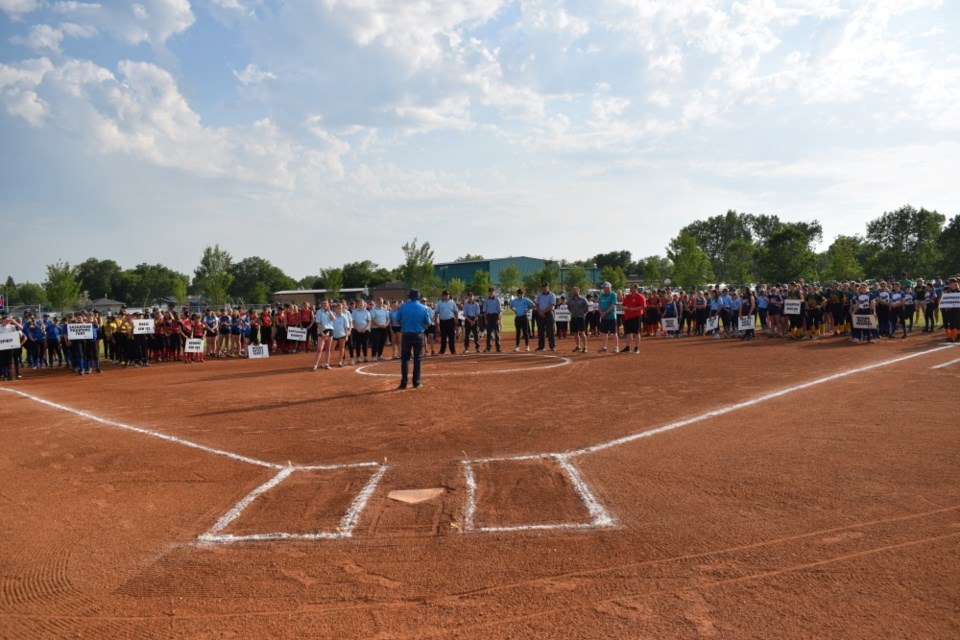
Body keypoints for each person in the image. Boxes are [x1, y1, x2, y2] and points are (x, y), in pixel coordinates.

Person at [396, 289, 432, 389]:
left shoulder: (403, 307)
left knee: (405, 359)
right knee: (417, 359)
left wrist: (405, 324)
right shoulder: (423, 307)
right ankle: (416, 382)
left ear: (409, 297)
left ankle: (404, 383)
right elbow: (428, 323)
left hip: (406, 334)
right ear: (418, 297)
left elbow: (397, 321)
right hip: (418, 335)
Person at [621, 283, 646, 353]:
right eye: (630, 288)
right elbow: (623, 305)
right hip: (628, 317)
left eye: (632, 288)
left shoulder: (640, 296)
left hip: (636, 316)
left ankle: (636, 348)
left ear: (636, 288)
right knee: (628, 333)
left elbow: (643, 306)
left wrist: (633, 309)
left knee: (636, 333)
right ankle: (627, 347)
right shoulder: (627, 297)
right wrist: (624, 307)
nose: (631, 289)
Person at [435, 290, 458, 355]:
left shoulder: (452, 302)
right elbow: (436, 312)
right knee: (443, 337)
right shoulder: (439, 303)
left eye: (447, 295)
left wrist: (456, 319)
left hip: (450, 321)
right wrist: (436, 320)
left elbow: (455, 311)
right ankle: (442, 350)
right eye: (445, 295)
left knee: (451, 336)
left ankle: (453, 350)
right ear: (443, 296)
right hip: (443, 321)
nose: (446, 296)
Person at [535, 282, 557, 351]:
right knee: (540, 331)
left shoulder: (552, 295)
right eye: (543, 287)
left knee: (550, 331)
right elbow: (537, 305)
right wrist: (539, 312)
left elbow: (551, 306)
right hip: (540, 314)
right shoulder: (539, 296)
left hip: (548, 314)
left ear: (548, 287)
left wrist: (542, 312)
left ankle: (552, 346)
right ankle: (541, 346)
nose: (544, 288)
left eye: (546, 287)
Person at [597, 281, 619, 353]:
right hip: (603, 317)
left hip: (611, 317)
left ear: (608, 288)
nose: (603, 288)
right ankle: (604, 347)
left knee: (614, 332)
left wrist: (605, 313)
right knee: (604, 332)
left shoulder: (613, 295)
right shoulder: (602, 295)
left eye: (604, 287)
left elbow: (612, 306)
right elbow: (599, 305)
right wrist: (601, 312)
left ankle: (616, 347)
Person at [567, 286, 589, 353]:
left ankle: (585, 347)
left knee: (582, 333)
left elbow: (587, 308)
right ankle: (578, 347)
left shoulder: (583, 299)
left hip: (581, 318)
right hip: (573, 318)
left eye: (575, 290)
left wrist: (583, 314)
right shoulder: (570, 300)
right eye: (573, 291)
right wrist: (573, 313)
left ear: (579, 291)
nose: (574, 292)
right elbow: (569, 308)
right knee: (575, 333)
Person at [481, 287, 502, 352]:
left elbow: (499, 311)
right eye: (490, 292)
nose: (491, 293)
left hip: (495, 316)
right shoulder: (486, 300)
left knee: (496, 333)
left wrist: (498, 319)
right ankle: (488, 348)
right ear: (488, 292)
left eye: (492, 292)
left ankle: (498, 348)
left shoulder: (497, 300)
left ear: (494, 292)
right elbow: (484, 311)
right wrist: (485, 319)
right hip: (489, 317)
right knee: (489, 333)